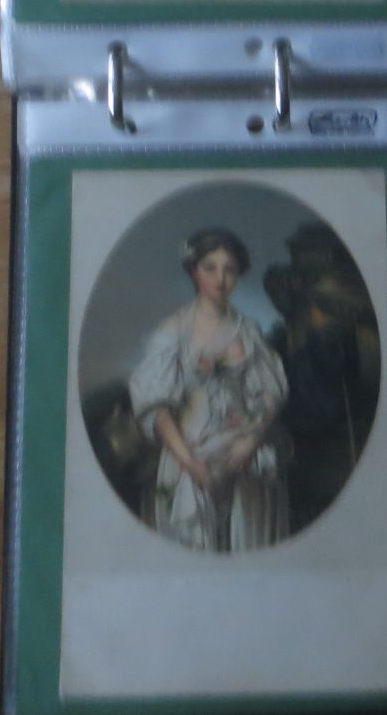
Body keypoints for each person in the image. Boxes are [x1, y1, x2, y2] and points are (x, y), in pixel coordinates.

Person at [129, 227, 290, 552]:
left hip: (244, 454)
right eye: (210, 268)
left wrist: (249, 443)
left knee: (245, 543)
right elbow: (156, 408)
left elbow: (270, 394)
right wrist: (192, 464)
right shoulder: (173, 331)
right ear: (194, 272)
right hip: (187, 454)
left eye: (229, 270)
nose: (220, 279)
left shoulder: (249, 331)